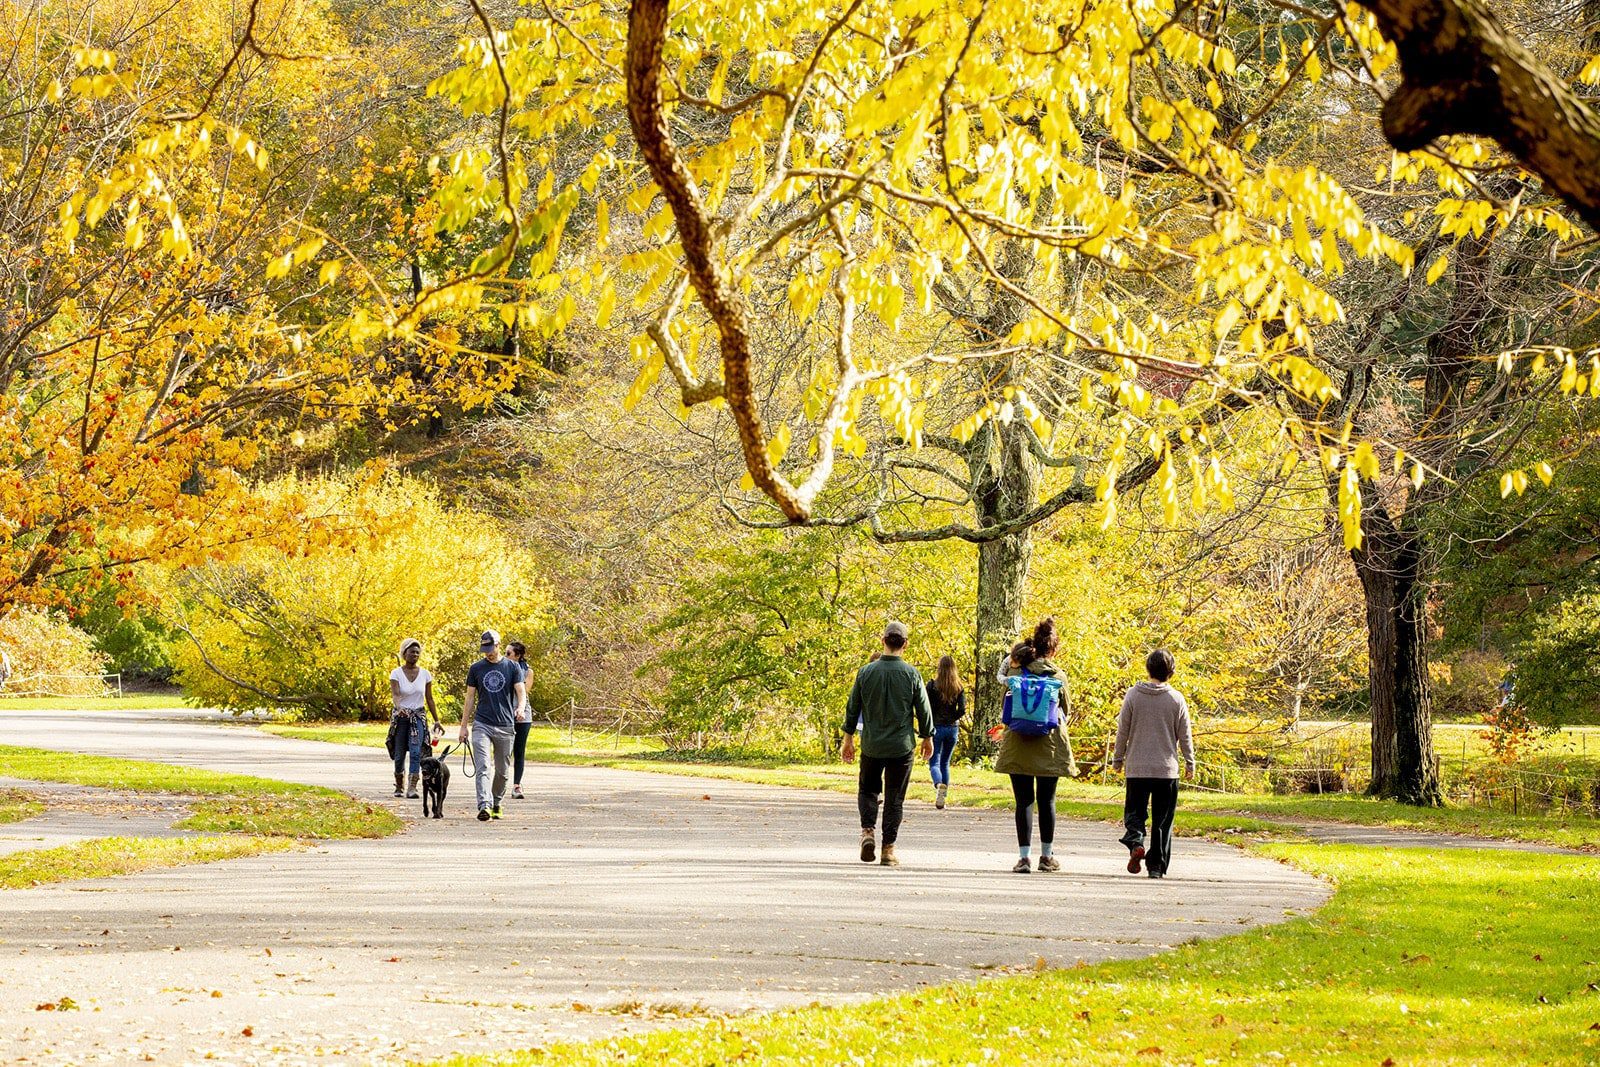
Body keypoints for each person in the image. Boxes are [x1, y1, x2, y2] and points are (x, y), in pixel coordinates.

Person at [842, 621, 934, 868]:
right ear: (905, 644)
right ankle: (888, 850)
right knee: (895, 798)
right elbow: (923, 710)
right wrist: (927, 737)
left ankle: (868, 831)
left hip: (872, 744)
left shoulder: (865, 672)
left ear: (883, 641)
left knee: (868, 790)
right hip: (901, 746)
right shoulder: (912, 674)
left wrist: (848, 737)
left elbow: (853, 708)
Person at [995, 618, 1076, 874]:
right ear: (1053, 649)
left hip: (1018, 742)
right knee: (1047, 800)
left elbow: (1005, 706)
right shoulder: (1058, 675)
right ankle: (1047, 856)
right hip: (1049, 744)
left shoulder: (1015, 672)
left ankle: (1023, 858)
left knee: (1023, 801)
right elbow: (1066, 709)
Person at [1113, 648, 1195, 879]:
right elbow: (1185, 734)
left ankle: (1136, 840)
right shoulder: (1176, 699)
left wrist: (1118, 759)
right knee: (1163, 821)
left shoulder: (1133, 695)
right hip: (1166, 770)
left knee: (1134, 813)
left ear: (1148, 669)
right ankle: (1156, 867)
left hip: (1137, 767)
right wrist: (1190, 762)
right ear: (1171, 672)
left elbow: (1123, 731)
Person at [459, 629, 527, 821]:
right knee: (483, 767)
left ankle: (497, 802)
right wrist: (464, 726)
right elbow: (470, 697)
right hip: (482, 723)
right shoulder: (476, 668)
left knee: (503, 772)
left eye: (491, 648)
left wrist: (520, 708)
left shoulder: (512, 668)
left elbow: (521, 692)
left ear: (498, 645)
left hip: (505, 725)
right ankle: (484, 805)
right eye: (485, 649)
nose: (488, 652)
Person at [388, 638, 438, 798]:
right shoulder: (396, 673)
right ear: (404, 653)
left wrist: (437, 720)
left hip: (418, 717)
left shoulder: (425, 674)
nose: (415, 654)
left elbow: (429, 698)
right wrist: (399, 708)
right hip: (401, 718)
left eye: (417, 652)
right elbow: (396, 695)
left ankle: (412, 787)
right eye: (411, 651)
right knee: (399, 753)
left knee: (416, 752)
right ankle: (399, 784)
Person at [926, 655, 965, 810]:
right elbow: (962, 710)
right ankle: (943, 796)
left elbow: (927, 707)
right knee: (945, 763)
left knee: (934, 762)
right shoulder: (959, 687)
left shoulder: (932, 686)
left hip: (936, 727)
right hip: (952, 728)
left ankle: (938, 784)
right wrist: (952, 718)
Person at [506, 640, 532, 800]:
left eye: (508, 653)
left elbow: (525, 690)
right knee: (503, 752)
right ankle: (499, 782)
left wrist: (516, 676)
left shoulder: (528, 671)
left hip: (523, 715)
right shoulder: (501, 668)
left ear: (518, 656)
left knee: (519, 751)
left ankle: (517, 785)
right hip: (505, 714)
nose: (505, 655)